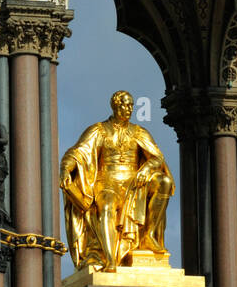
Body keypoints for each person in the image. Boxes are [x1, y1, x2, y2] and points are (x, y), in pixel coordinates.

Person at [60, 90, 174, 271]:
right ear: (115, 106)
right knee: (106, 206)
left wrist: (146, 168)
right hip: (107, 182)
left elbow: (157, 157)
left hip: (134, 183)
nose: (129, 109)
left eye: (131, 105)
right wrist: (65, 169)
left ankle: (149, 236)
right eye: (125, 105)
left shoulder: (139, 132)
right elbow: (77, 153)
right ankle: (110, 260)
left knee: (164, 182)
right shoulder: (99, 130)